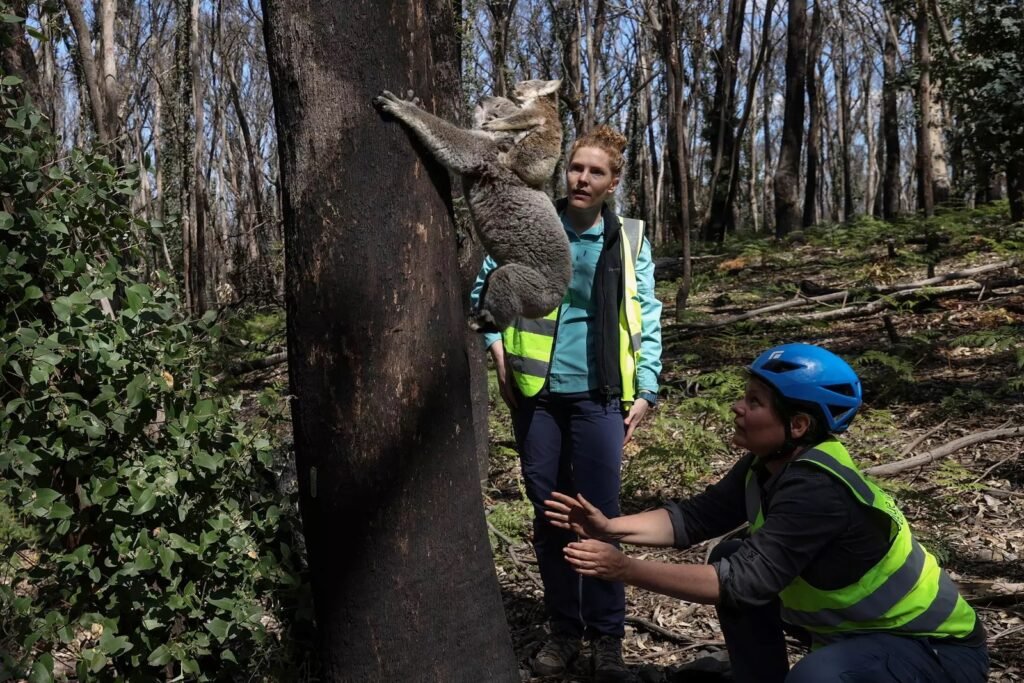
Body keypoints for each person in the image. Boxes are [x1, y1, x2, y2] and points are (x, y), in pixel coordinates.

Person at [545, 343, 989, 683]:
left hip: (935, 651)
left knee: (816, 678)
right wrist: (609, 527)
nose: (738, 408)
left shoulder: (818, 490)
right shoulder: (768, 465)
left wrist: (624, 569)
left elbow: (743, 583)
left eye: (754, 402)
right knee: (730, 552)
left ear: (798, 425)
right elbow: (696, 518)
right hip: (857, 636)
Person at [470, 125, 663, 682]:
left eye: (595, 172)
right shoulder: (533, 223)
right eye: (576, 168)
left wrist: (646, 387)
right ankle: (563, 630)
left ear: (612, 182)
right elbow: (487, 286)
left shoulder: (629, 237)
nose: (582, 179)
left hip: (601, 396)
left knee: (600, 518)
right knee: (550, 515)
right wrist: (496, 349)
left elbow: (647, 313)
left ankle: (607, 637)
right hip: (537, 395)